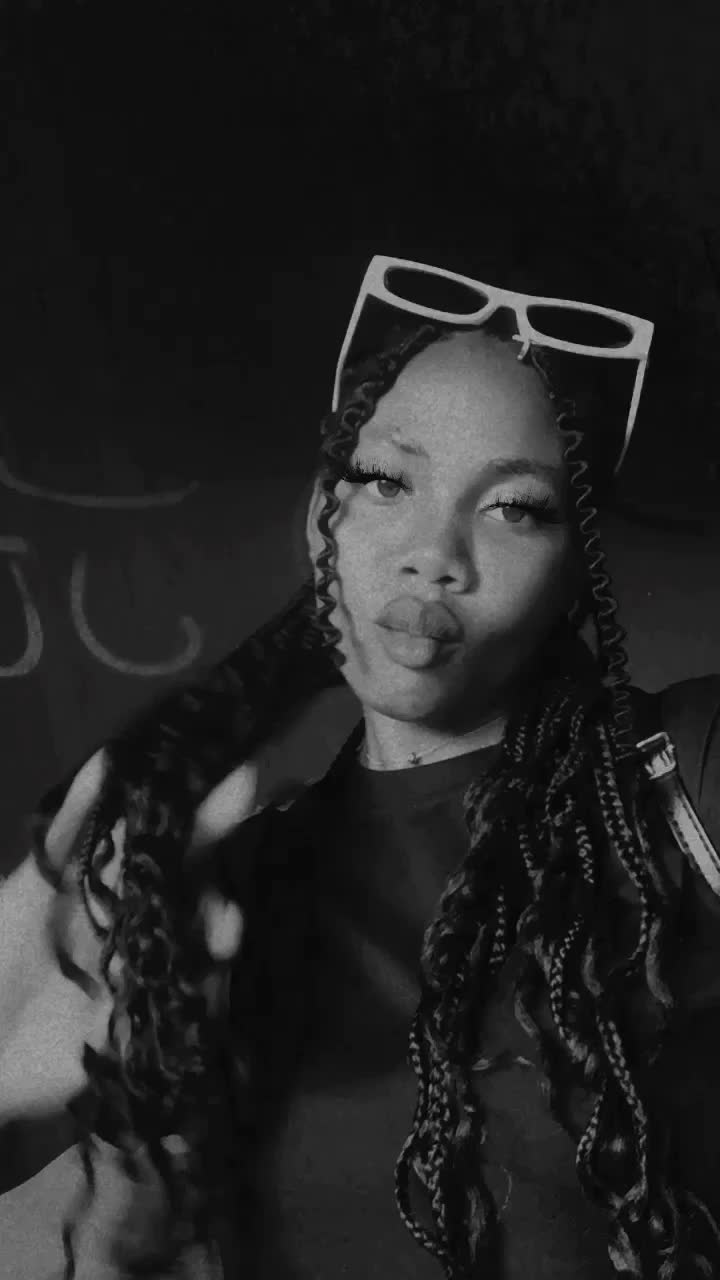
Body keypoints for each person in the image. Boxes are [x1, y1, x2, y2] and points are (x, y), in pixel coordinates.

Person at [2, 254, 720, 1280]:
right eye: (386, 481)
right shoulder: (230, 892)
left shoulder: (682, 779)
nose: (435, 552)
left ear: (576, 572)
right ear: (319, 521)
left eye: (514, 506)